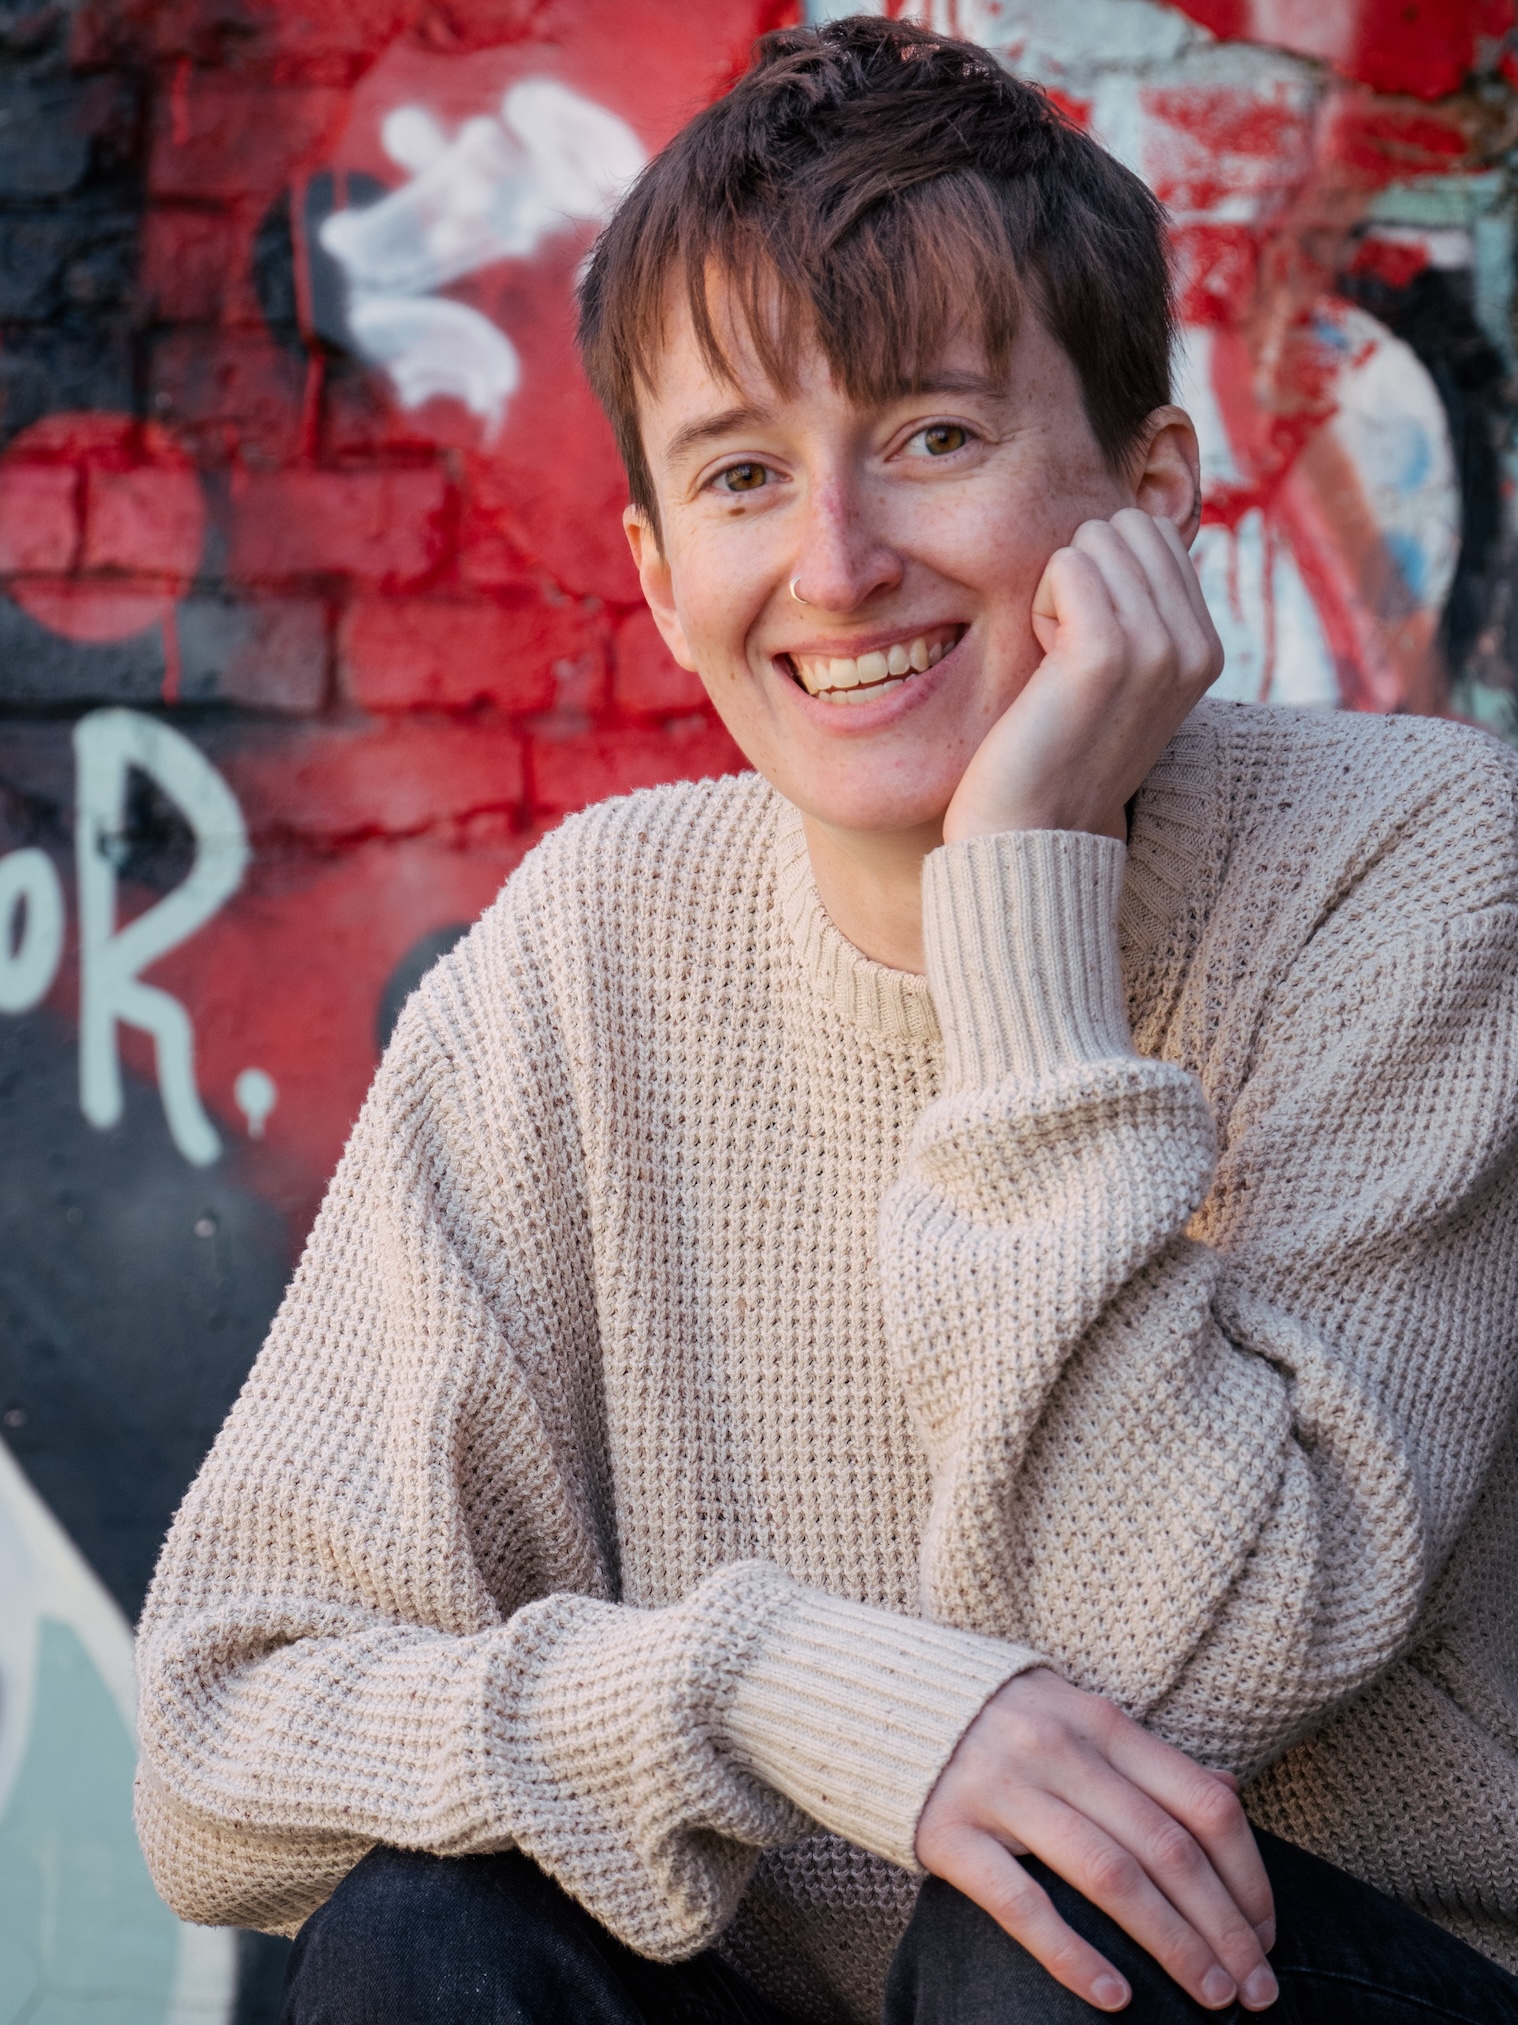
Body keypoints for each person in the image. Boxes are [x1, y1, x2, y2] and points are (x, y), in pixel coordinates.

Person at [135, 17, 1518, 2022]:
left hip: (1296, 1980)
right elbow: (225, 1733)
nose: (837, 561)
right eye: (742, 474)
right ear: (662, 569)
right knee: (418, 1936)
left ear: (1153, 491)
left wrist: (1020, 882)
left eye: (932, 436)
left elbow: (1165, 1683)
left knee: (1061, 1924)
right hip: (840, 1984)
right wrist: (780, 1686)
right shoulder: (592, 951)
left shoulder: (1421, 868)